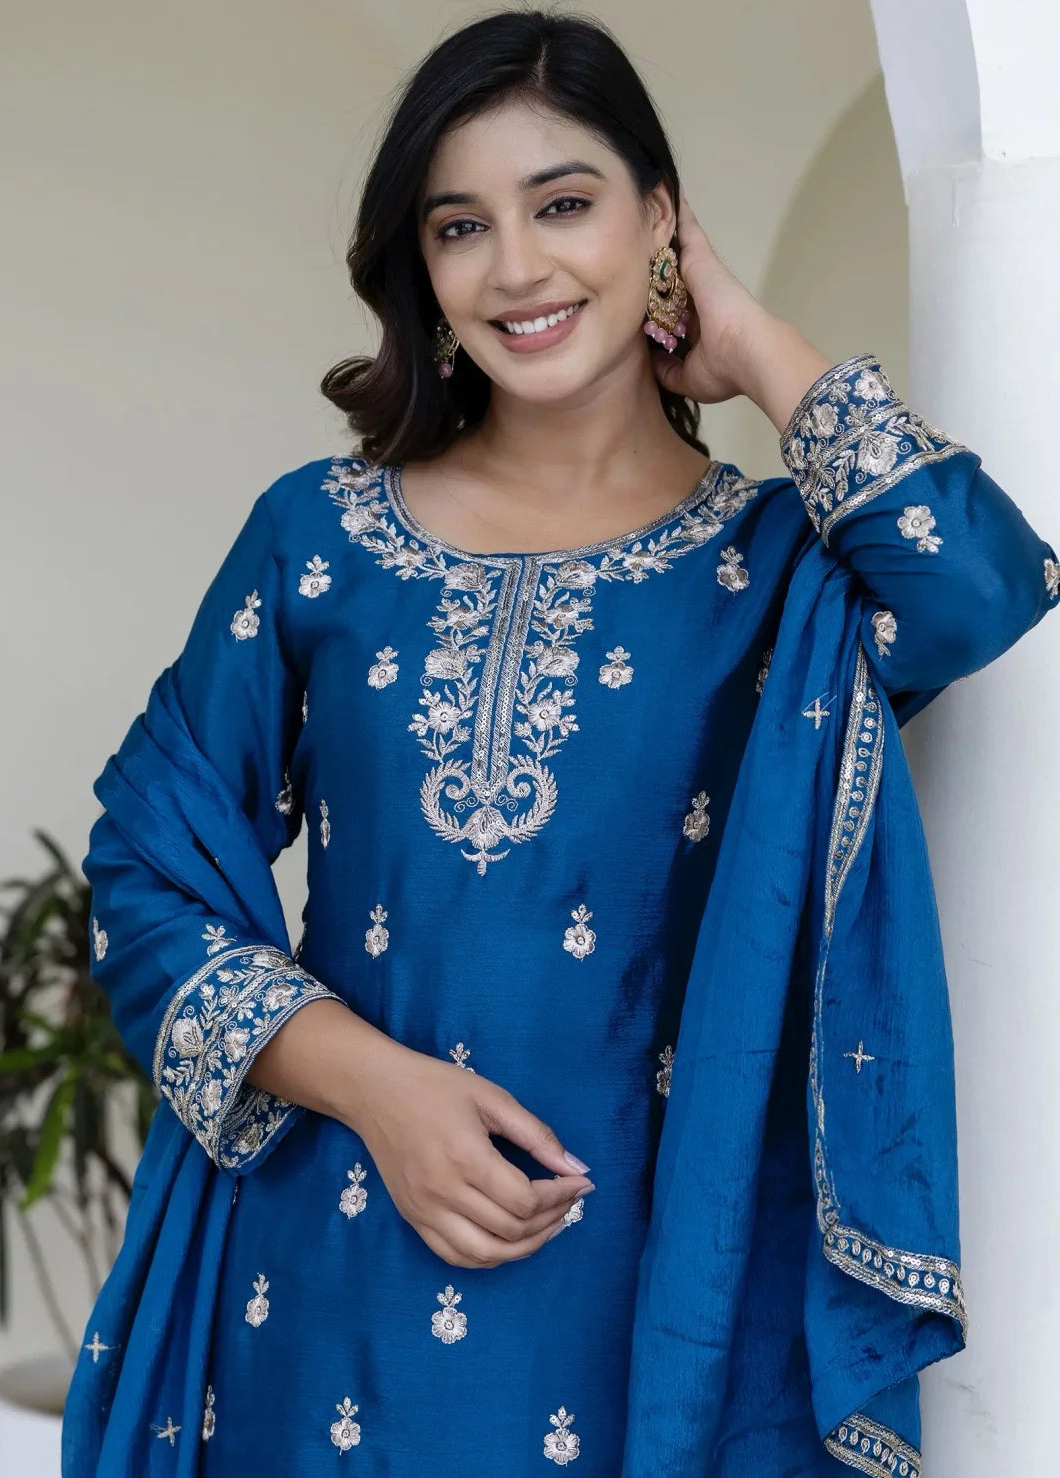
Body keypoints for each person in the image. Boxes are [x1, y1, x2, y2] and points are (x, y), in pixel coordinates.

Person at [62, 10, 1059, 1477]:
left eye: (565, 204)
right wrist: (376, 1088)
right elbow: (145, 868)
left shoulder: (775, 577)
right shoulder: (317, 539)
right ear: (423, 265)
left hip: (644, 1317)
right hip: (321, 1288)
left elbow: (978, 583)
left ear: (661, 220)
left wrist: (754, 342)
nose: (515, 268)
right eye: (460, 225)